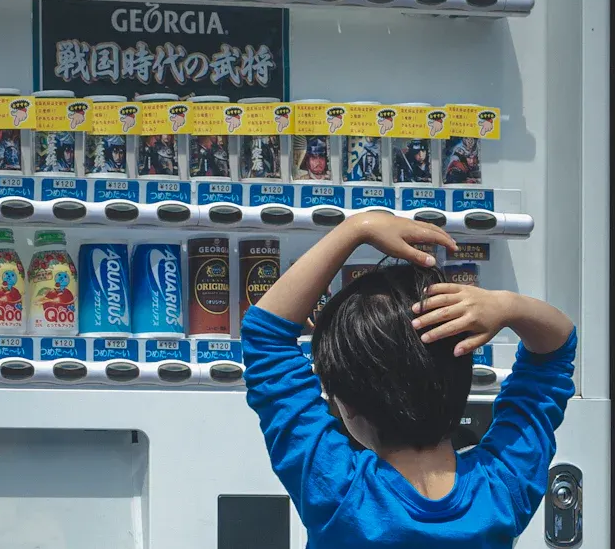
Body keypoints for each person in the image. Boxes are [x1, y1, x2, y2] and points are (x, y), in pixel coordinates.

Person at [243, 212, 576, 548]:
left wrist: (358, 229)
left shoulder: (338, 492)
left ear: (347, 405)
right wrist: (507, 305)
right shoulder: (501, 490)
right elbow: (555, 353)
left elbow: (265, 338)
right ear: (460, 378)